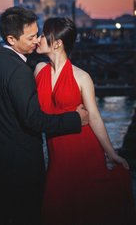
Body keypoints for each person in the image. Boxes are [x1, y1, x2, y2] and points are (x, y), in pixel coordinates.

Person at [0, 6, 89, 225]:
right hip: (21, 164)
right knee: (28, 216)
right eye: (31, 37)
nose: (36, 40)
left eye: (37, 33)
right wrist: (75, 119)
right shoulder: (19, 72)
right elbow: (35, 120)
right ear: (12, 39)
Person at [35, 17, 136, 225]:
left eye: (43, 35)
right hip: (56, 154)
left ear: (57, 43)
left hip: (83, 149)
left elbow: (95, 117)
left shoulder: (82, 77)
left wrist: (112, 153)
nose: (38, 39)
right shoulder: (38, 70)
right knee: (56, 208)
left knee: (86, 210)